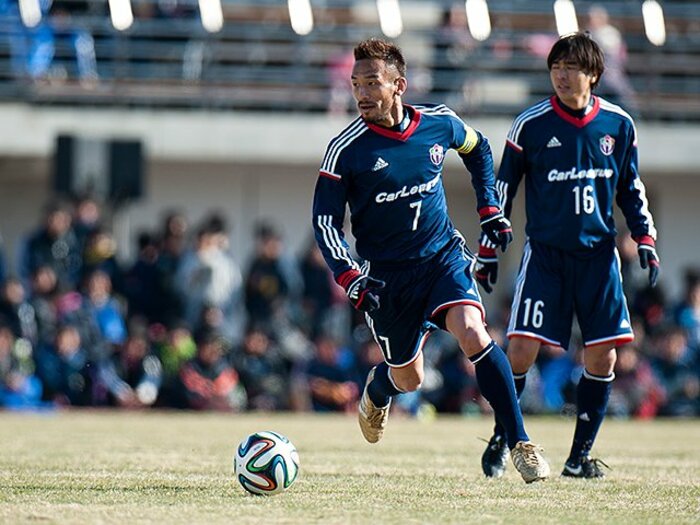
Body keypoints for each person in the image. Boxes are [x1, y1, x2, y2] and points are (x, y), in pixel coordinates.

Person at [311, 38, 549, 483]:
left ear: (399, 85)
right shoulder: (346, 150)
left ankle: (521, 444)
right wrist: (350, 277)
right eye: (355, 84)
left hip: (442, 258)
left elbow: (478, 149)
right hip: (386, 280)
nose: (361, 93)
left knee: (474, 332)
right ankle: (377, 390)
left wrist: (489, 209)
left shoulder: (440, 123)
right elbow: (324, 221)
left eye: (372, 83)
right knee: (410, 379)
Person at [476, 32, 660, 479]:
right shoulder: (531, 125)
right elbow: (504, 188)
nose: (561, 74)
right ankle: (505, 437)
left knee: (604, 359)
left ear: (593, 75)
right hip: (546, 257)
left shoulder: (618, 125)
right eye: (556, 66)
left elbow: (630, 189)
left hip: (598, 258)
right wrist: (489, 245)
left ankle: (578, 459)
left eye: (571, 67)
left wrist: (645, 238)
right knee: (519, 351)